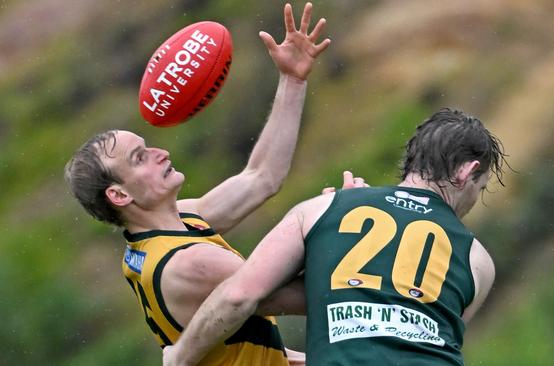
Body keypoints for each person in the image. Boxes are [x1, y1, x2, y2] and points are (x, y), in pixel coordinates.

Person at [64, 3, 350, 365]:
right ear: (119, 195)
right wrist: (334, 224)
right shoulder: (189, 263)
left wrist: (292, 79)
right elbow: (312, 296)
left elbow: (261, 178)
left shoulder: (173, 223)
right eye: (140, 158)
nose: (161, 152)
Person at [162, 108, 508, 366]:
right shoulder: (478, 260)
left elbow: (241, 296)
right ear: (467, 172)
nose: (475, 200)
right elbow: (431, 343)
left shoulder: (320, 210)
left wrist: (180, 354)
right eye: (481, 187)